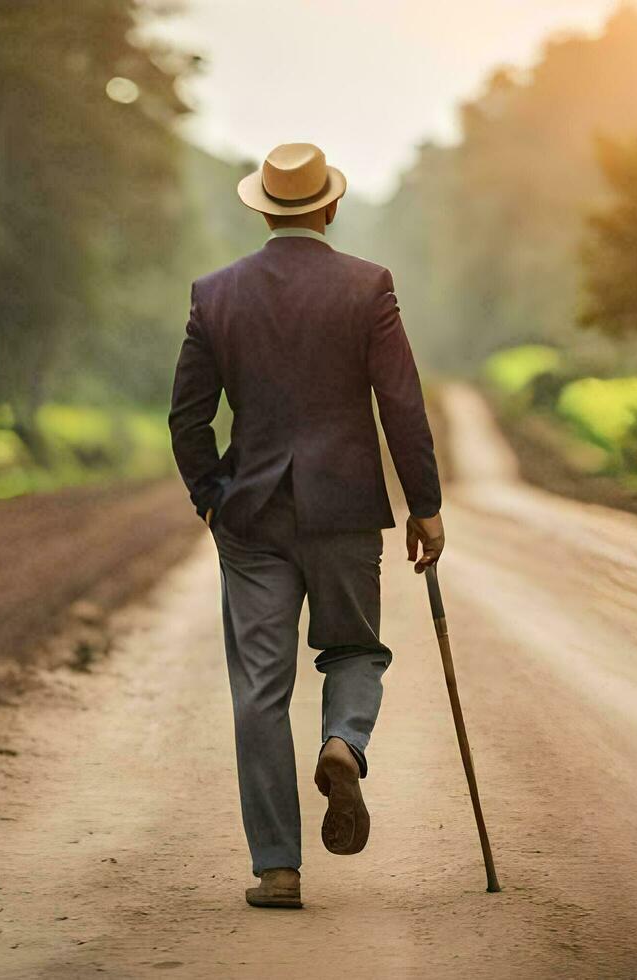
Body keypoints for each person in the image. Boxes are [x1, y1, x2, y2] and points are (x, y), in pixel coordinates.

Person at [169, 142, 445, 910]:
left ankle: (278, 869)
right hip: (347, 509)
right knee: (355, 648)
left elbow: (188, 417)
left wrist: (211, 496)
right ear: (329, 206)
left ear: (262, 209)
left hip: (252, 517)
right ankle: (343, 742)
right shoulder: (368, 287)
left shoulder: (215, 294)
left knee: (260, 687)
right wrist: (425, 504)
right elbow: (403, 405)